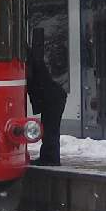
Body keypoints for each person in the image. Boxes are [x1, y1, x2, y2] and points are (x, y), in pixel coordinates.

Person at [25, 29, 67, 166]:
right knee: (50, 129)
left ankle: (50, 159)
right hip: (54, 97)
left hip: (52, 99)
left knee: (50, 129)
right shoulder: (35, 62)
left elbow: (32, 81)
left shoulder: (32, 64)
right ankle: (49, 157)